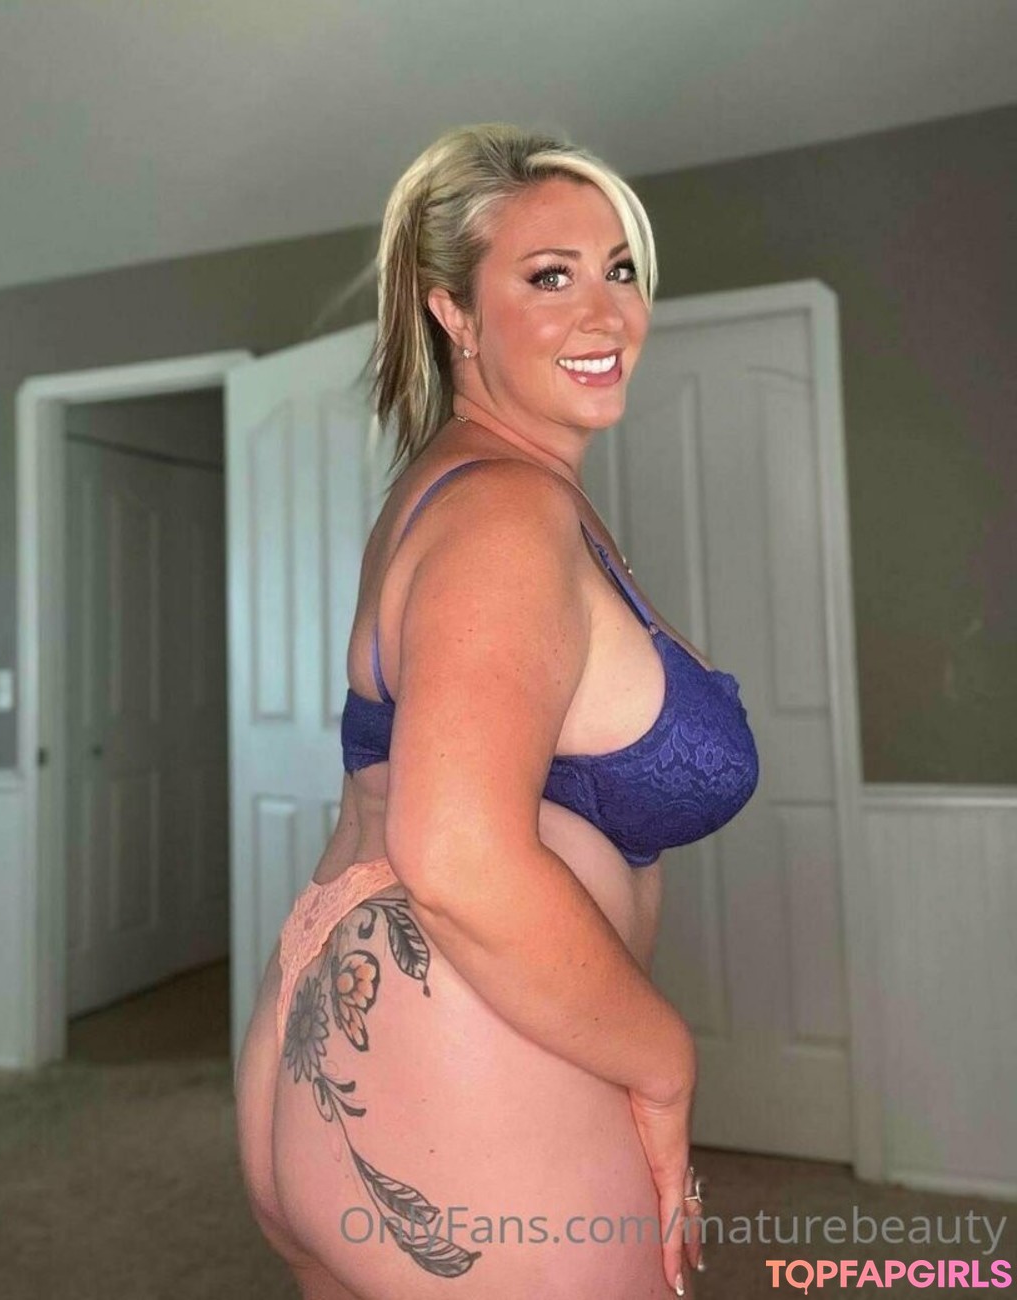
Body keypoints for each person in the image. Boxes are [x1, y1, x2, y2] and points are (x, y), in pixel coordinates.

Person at [234, 122, 759, 1300]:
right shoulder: (505, 514)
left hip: (364, 1055)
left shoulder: (464, 489)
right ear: (455, 315)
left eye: (619, 269)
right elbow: (459, 855)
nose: (607, 311)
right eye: (550, 276)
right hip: (461, 1076)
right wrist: (662, 1059)